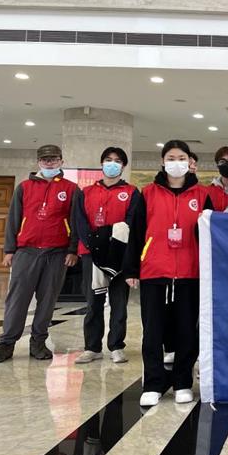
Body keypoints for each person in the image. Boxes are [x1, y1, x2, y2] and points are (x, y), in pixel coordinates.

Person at [124, 140, 213, 407]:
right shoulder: (148, 193)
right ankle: (153, 383)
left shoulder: (202, 195)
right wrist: (132, 268)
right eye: (171, 158)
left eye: (181, 158)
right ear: (163, 162)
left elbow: (210, 235)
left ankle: (183, 381)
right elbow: (136, 232)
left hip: (190, 273)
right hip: (155, 271)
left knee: (186, 331)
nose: (176, 162)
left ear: (190, 162)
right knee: (152, 331)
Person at [0, 144, 79, 364]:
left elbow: (76, 222)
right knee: (17, 300)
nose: (49, 163)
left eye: (54, 159)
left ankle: (38, 342)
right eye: (45, 159)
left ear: (61, 162)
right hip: (26, 252)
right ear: (38, 162)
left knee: (47, 301)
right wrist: (10, 250)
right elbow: (14, 219)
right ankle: (6, 344)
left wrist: (72, 250)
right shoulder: (24, 187)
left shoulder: (72, 189)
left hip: (57, 254)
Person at [73, 147, 139, 364]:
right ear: (102, 163)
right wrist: (94, 244)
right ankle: (92, 347)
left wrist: (115, 244)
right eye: (108, 160)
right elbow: (79, 221)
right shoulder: (86, 192)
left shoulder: (131, 192)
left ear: (123, 166)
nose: (112, 164)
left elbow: (132, 221)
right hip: (92, 254)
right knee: (94, 302)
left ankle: (116, 346)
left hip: (120, 255)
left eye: (117, 161)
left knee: (119, 303)